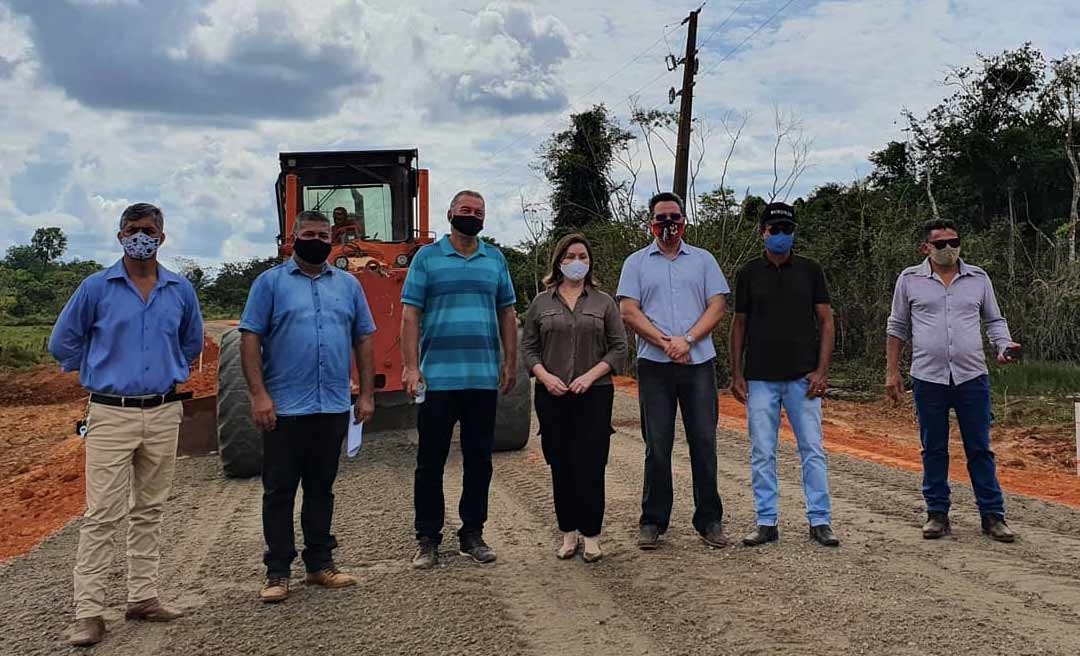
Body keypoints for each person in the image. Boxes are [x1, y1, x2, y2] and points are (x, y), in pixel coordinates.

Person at [49, 203, 204, 647]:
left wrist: (169, 369)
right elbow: (63, 341)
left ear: (162, 237)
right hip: (110, 412)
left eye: (149, 230)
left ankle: (143, 597)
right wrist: (95, 366)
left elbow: (191, 341)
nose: (141, 237)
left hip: (162, 411)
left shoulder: (179, 290)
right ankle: (89, 613)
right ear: (120, 236)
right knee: (102, 514)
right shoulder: (96, 288)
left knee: (150, 509)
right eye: (133, 229)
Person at [239, 209, 377, 603]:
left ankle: (320, 564)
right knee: (279, 490)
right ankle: (277, 571)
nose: (316, 241)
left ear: (333, 240)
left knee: (321, 488)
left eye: (323, 236)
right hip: (284, 407)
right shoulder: (269, 283)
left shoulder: (348, 285)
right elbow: (250, 338)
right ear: (293, 238)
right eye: (309, 234)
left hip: (331, 405)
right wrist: (259, 395)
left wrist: (366, 394)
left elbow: (364, 338)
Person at [401, 190, 518, 569]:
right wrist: (411, 367)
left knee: (479, 460)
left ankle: (472, 533)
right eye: (465, 210)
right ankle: (427, 538)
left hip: (482, 379)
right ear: (450, 214)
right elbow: (410, 315)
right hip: (436, 380)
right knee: (430, 461)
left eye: (479, 212)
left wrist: (510, 362)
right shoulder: (426, 258)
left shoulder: (495, 259)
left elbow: (507, 312)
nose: (472, 216)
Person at [886, 219, 1021, 543]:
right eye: (941, 244)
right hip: (928, 378)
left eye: (954, 242)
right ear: (925, 248)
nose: (949, 249)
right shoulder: (910, 279)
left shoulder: (978, 278)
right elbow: (897, 326)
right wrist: (892, 371)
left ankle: (993, 516)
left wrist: (1004, 345)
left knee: (980, 448)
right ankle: (937, 514)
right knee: (934, 448)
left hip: (972, 377)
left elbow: (994, 319)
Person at [616, 191, 731, 550]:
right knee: (657, 445)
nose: (669, 224)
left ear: (684, 220)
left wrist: (688, 340)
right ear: (650, 222)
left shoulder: (703, 260)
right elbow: (628, 310)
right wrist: (665, 342)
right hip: (655, 365)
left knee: (704, 441)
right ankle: (653, 520)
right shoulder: (636, 263)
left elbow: (717, 305)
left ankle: (709, 520)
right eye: (661, 218)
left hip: (698, 363)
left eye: (674, 217)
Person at [729, 202, 839, 548]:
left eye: (787, 230)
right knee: (762, 450)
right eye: (774, 229)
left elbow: (826, 321)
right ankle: (766, 522)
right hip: (760, 377)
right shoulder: (748, 273)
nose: (781, 235)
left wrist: (822, 371)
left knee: (812, 449)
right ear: (762, 232)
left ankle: (820, 520)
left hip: (803, 378)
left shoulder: (810, 270)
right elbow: (739, 324)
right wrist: (736, 373)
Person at [522, 234, 628, 563]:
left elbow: (619, 347)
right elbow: (529, 348)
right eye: (570, 256)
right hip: (552, 395)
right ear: (559, 261)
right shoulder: (541, 303)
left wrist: (591, 375)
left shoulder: (604, 303)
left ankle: (592, 536)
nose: (576, 262)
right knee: (561, 465)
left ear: (590, 262)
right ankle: (568, 533)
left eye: (582, 256)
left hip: (594, 395)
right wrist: (544, 376)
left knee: (592, 465)